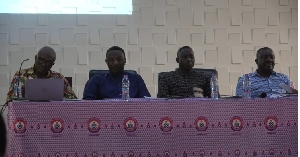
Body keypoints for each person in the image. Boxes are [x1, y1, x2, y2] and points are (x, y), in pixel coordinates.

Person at [6, 46, 77, 101]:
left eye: (48, 62)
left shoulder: (59, 78)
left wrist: (60, 97)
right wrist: (21, 96)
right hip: (27, 115)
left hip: (53, 116)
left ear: (52, 64)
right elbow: (9, 100)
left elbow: (74, 100)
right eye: (41, 60)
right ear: (35, 58)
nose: (43, 64)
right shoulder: (20, 75)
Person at [83, 46, 151, 100]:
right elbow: (87, 104)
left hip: (131, 115)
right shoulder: (96, 80)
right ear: (106, 62)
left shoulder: (136, 79)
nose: (115, 63)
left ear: (125, 61)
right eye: (111, 60)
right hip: (105, 115)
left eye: (119, 59)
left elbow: (146, 101)